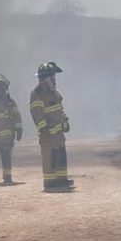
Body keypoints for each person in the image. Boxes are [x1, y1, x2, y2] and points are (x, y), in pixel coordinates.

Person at [29, 62, 72, 191]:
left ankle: (61, 180)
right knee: (50, 157)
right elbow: (37, 113)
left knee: (60, 156)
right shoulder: (37, 94)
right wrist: (43, 128)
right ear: (46, 78)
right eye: (53, 76)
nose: (55, 79)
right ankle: (49, 181)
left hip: (58, 133)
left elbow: (59, 109)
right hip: (48, 134)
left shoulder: (54, 93)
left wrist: (65, 121)